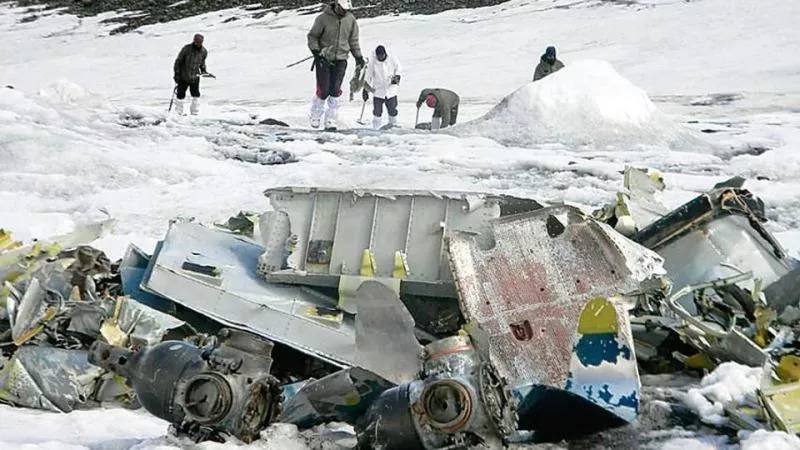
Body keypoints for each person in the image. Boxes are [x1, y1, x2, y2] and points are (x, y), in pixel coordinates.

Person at [307, 0, 365, 129]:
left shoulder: (350, 20)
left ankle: (331, 119)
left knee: (335, 90)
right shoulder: (323, 18)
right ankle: (315, 114)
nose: (345, 11)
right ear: (337, 5)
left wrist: (358, 57)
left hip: (341, 58)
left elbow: (353, 40)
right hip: (324, 58)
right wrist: (316, 52)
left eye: (346, 9)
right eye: (343, 9)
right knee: (324, 89)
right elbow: (312, 37)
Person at [362, 45, 402, 130]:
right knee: (377, 111)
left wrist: (397, 76)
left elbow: (398, 67)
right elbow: (368, 76)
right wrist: (365, 89)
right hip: (378, 91)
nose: (380, 57)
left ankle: (393, 126)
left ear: (384, 54)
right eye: (378, 56)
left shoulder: (391, 58)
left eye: (381, 56)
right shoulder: (372, 62)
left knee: (392, 110)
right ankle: (376, 128)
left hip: (390, 90)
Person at [173, 33, 210, 115]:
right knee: (180, 95)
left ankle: (195, 112)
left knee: (196, 94)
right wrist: (177, 74)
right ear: (194, 40)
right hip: (183, 76)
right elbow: (178, 62)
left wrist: (203, 70)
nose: (198, 43)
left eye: (200, 41)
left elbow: (202, 62)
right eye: (197, 41)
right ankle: (179, 112)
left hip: (195, 77)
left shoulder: (204, 51)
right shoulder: (186, 49)